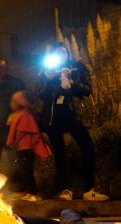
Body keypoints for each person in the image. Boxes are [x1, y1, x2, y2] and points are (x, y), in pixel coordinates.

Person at [38, 43, 108, 201]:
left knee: (87, 147)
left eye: (64, 52)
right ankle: (64, 190)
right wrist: (50, 79)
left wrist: (71, 82)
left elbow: (87, 89)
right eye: (57, 53)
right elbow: (41, 95)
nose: (61, 55)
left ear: (67, 54)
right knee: (59, 154)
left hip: (73, 114)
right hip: (54, 117)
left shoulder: (77, 68)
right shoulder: (47, 70)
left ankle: (89, 190)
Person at [6, 91, 51, 202]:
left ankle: (33, 192)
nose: (11, 103)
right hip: (23, 148)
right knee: (22, 169)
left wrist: (13, 143)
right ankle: (23, 190)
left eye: (13, 101)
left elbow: (22, 132)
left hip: (26, 148)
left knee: (26, 170)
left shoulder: (24, 115)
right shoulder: (22, 114)